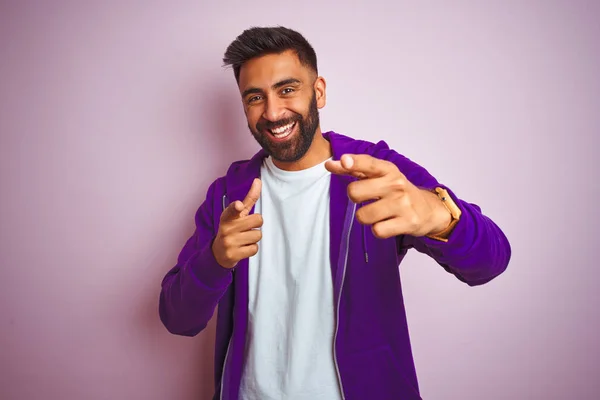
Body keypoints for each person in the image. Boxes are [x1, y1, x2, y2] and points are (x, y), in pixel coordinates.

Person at [159, 26, 511, 400]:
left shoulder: (375, 170)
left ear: (319, 91)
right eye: (255, 97)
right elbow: (178, 318)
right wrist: (215, 259)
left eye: (287, 89)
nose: (273, 111)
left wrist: (443, 218)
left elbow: (491, 261)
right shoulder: (228, 194)